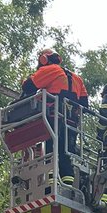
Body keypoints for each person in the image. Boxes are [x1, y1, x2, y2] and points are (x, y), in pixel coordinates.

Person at [20, 50, 89, 186]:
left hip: (53, 117)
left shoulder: (50, 70)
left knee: (51, 148)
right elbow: (84, 105)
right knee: (65, 152)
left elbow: (28, 86)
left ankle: (52, 181)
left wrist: (26, 82)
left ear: (44, 59)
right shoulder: (77, 78)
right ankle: (67, 181)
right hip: (71, 122)